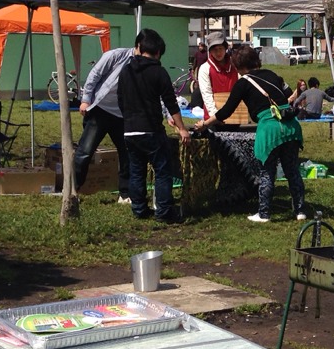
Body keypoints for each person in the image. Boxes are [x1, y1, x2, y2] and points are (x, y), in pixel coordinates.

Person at [191, 45, 306, 223]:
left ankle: (264, 213)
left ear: (237, 66)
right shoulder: (273, 75)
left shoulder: (243, 83)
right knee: (292, 171)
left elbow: (226, 112)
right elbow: (290, 95)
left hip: (269, 129)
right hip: (291, 125)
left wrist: (204, 124)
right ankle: (300, 211)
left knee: (267, 173)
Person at [117, 29, 190, 224]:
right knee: (162, 170)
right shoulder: (159, 72)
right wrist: (182, 128)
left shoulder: (126, 71)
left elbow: (120, 99)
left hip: (130, 130)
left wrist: (128, 119)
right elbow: (171, 102)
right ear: (158, 52)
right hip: (151, 129)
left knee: (136, 169)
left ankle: (139, 208)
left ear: (139, 48)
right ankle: (164, 211)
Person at [73, 45, 133, 203]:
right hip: (100, 109)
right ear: (139, 47)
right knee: (85, 151)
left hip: (122, 114)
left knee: (127, 153)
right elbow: (94, 75)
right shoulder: (115, 56)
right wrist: (85, 100)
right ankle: (73, 191)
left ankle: (125, 194)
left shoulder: (145, 66)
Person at [196, 30, 238, 122]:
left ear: (225, 48)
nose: (218, 53)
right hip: (213, 118)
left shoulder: (235, 66)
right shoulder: (205, 68)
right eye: (215, 50)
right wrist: (216, 116)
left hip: (236, 116)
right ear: (210, 51)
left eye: (220, 49)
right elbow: (206, 94)